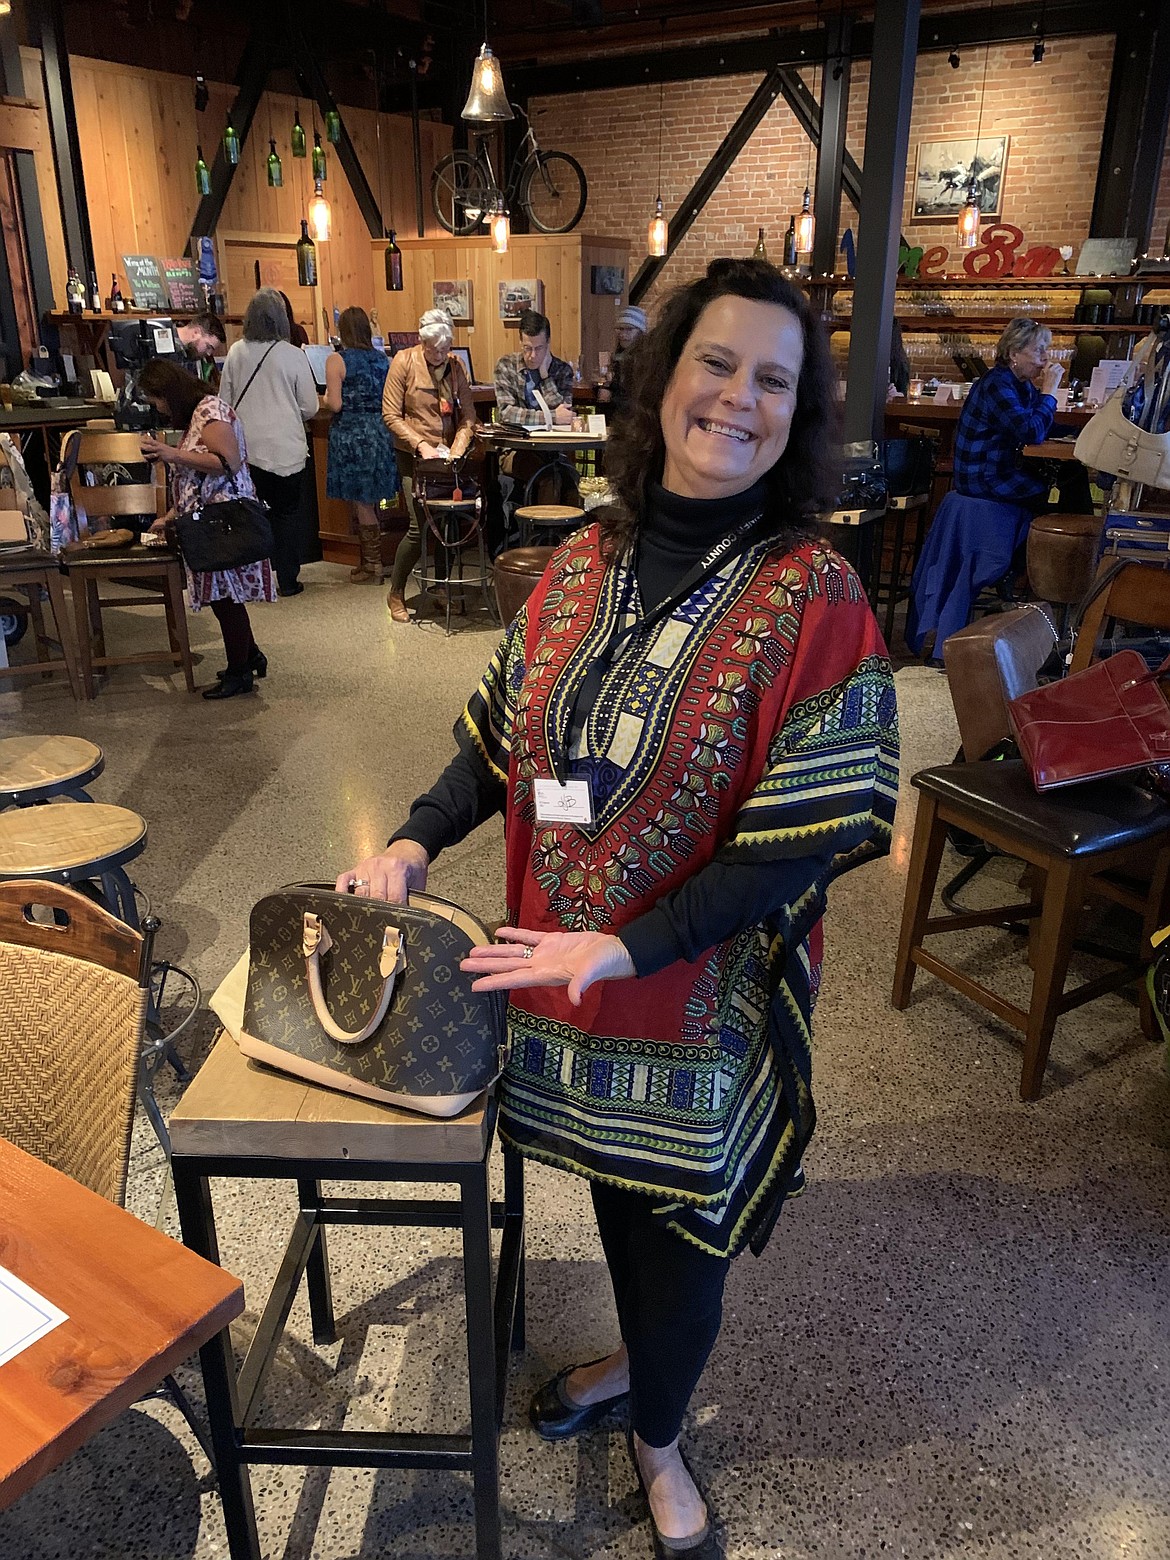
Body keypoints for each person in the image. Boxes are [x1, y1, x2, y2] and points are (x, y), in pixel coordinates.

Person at [339, 259, 898, 1560]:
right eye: (716, 364)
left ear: (795, 412)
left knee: (679, 1248)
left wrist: (628, 941)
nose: (738, 399)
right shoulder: (582, 559)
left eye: (773, 379)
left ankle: (658, 1434)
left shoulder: (815, 597)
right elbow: (501, 735)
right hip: (559, 985)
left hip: (689, 1009)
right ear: (662, 384)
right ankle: (631, 1376)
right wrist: (416, 841)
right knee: (603, 1196)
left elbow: (801, 841)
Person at [906, 317, 1063, 656]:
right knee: (1054, 499)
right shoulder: (997, 384)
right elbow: (1031, 431)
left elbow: (1037, 421)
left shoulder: (1018, 384)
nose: (1045, 358)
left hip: (992, 474)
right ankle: (1018, 580)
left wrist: (1048, 404)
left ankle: (1023, 582)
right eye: (1039, 350)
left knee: (1055, 488)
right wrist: (1051, 393)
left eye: (1046, 350)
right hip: (982, 479)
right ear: (1013, 353)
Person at [137, 358, 274, 700]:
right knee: (222, 597)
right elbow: (197, 480)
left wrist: (171, 454)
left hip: (222, 522)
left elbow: (226, 461)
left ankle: (240, 672)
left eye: (159, 401)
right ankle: (248, 654)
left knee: (226, 598)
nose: (161, 409)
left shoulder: (210, 410)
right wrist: (170, 515)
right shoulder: (200, 412)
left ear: (169, 392)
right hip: (210, 520)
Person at [381, 309, 479, 623]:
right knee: (418, 525)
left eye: (444, 349)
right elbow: (390, 415)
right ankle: (396, 592)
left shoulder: (455, 366)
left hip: (448, 457)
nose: (439, 355)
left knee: (448, 525)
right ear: (422, 343)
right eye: (433, 349)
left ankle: (440, 587)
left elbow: (468, 416)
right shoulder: (403, 362)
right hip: (414, 457)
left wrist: (458, 446)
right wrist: (421, 445)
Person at [220, 288, 319, 598]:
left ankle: (253, 582)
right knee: (287, 515)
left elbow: (224, 402)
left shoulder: (236, 352)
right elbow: (311, 406)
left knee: (252, 517)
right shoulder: (293, 354)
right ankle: (288, 580)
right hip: (287, 450)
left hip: (248, 452)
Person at [324, 307, 399, 583]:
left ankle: (373, 565)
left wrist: (322, 398)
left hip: (352, 434)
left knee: (361, 502)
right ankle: (371, 560)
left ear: (343, 332)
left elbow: (335, 403)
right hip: (380, 432)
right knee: (373, 499)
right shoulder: (384, 361)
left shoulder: (336, 360)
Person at [493, 307, 575, 428]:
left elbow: (564, 414)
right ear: (521, 342)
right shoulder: (506, 365)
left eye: (539, 348)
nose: (533, 355)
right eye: (528, 348)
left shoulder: (563, 370)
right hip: (516, 441)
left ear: (548, 343)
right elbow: (507, 413)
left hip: (553, 442)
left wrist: (545, 377)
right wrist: (550, 417)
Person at [599, 304, 647, 420]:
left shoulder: (645, 360)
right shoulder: (618, 358)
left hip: (636, 418)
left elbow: (637, 397)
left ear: (640, 332)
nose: (623, 334)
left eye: (629, 329)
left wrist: (610, 395)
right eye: (620, 329)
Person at [176, 313, 227, 384]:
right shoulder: (160, 343)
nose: (209, 353)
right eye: (208, 346)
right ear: (196, 332)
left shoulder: (193, 353)